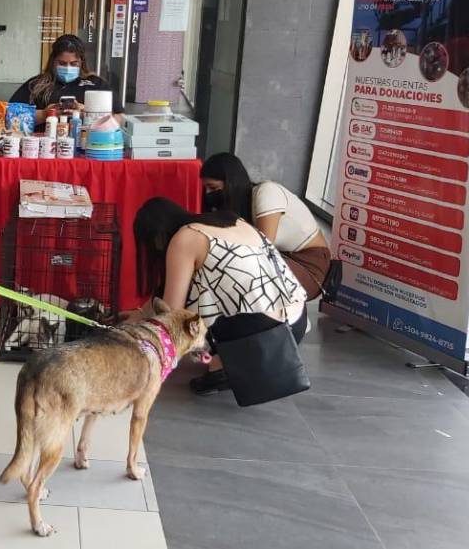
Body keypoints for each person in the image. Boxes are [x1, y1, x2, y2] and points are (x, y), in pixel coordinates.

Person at [133, 197, 308, 395]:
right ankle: (227, 361)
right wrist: (138, 314)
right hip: (295, 324)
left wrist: (138, 335)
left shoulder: (184, 239)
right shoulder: (230, 220)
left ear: (157, 238)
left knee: (192, 306)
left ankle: (222, 366)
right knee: (210, 283)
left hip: (260, 335)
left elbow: (172, 312)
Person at [199, 153, 331, 302]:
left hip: (310, 267)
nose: (208, 194)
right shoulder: (241, 206)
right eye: (206, 189)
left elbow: (262, 248)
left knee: (239, 270)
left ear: (230, 183)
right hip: (281, 259)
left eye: (212, 187)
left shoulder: (266, 192)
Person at [9, 34, 124, 128]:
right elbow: (11, 117)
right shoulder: (36, 85)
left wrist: (88, 114)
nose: (68, 68)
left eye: (74, 64)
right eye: (62, 63)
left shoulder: (96, 85)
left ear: (81, 62)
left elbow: (120, 118)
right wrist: (45, 114)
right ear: (53, 61)